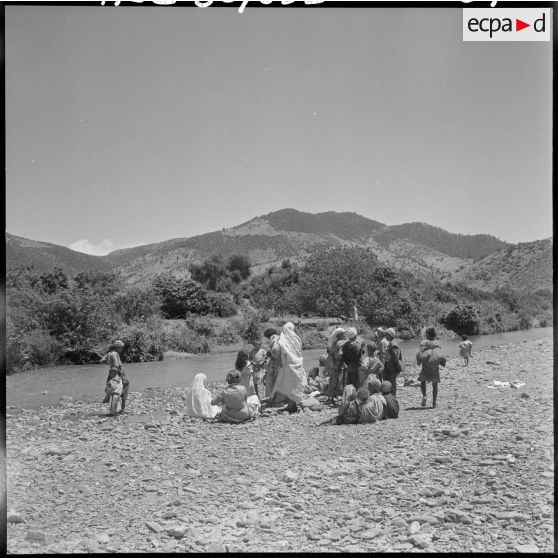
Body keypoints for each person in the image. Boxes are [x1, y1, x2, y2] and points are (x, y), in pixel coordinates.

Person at [271, 322, 308, 412]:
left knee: (287, 385)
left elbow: (275, 351)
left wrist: (274, 341)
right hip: (298, 364)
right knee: (295, 385)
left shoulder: (281, 341)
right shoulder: (297, 339)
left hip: (288, 365)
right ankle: (293, 403)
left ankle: (291, 405)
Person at [416, 327, 447, 409]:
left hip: (426, 366)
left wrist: (418, 361)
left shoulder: (423, 343)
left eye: (426, 333)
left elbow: (420, 353)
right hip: (435, 366)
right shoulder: (437, 343)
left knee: (423, 382)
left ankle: (424, 396)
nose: (425, 335)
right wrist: (442, 363)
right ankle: (434, 403)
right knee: (435, 384)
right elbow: (440, 354)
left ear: (428, 334)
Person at [101, 340, 130, 413]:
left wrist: (110, 364)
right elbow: (117, 366)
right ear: (118, 347)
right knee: (124, 388)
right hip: (117, 374)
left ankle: (110, 403)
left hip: (111, 374)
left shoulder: (110, 353)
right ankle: (121, 409)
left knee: (113, 390)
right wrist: (121, 375)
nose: (122, 349)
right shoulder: (115, 354)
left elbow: (102, 360)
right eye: (121, 347)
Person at [326, 328, 347, 404]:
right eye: (344, 333)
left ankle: (332, 396)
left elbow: (331, 354)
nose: (345, 334)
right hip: (341, 364)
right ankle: (339, 396)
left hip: (336, 364)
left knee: (335, 380)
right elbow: (338, 354)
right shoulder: (341, 343)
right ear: (340, 335)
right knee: (341, 380)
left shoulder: (335, 343)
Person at [263, 328, 281, 399]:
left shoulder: (274, 340)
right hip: (277, 365)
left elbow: (275, 353)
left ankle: (272, 398)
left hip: (275, 365)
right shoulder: (279, 339)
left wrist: (269, 353)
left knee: (273, 383)